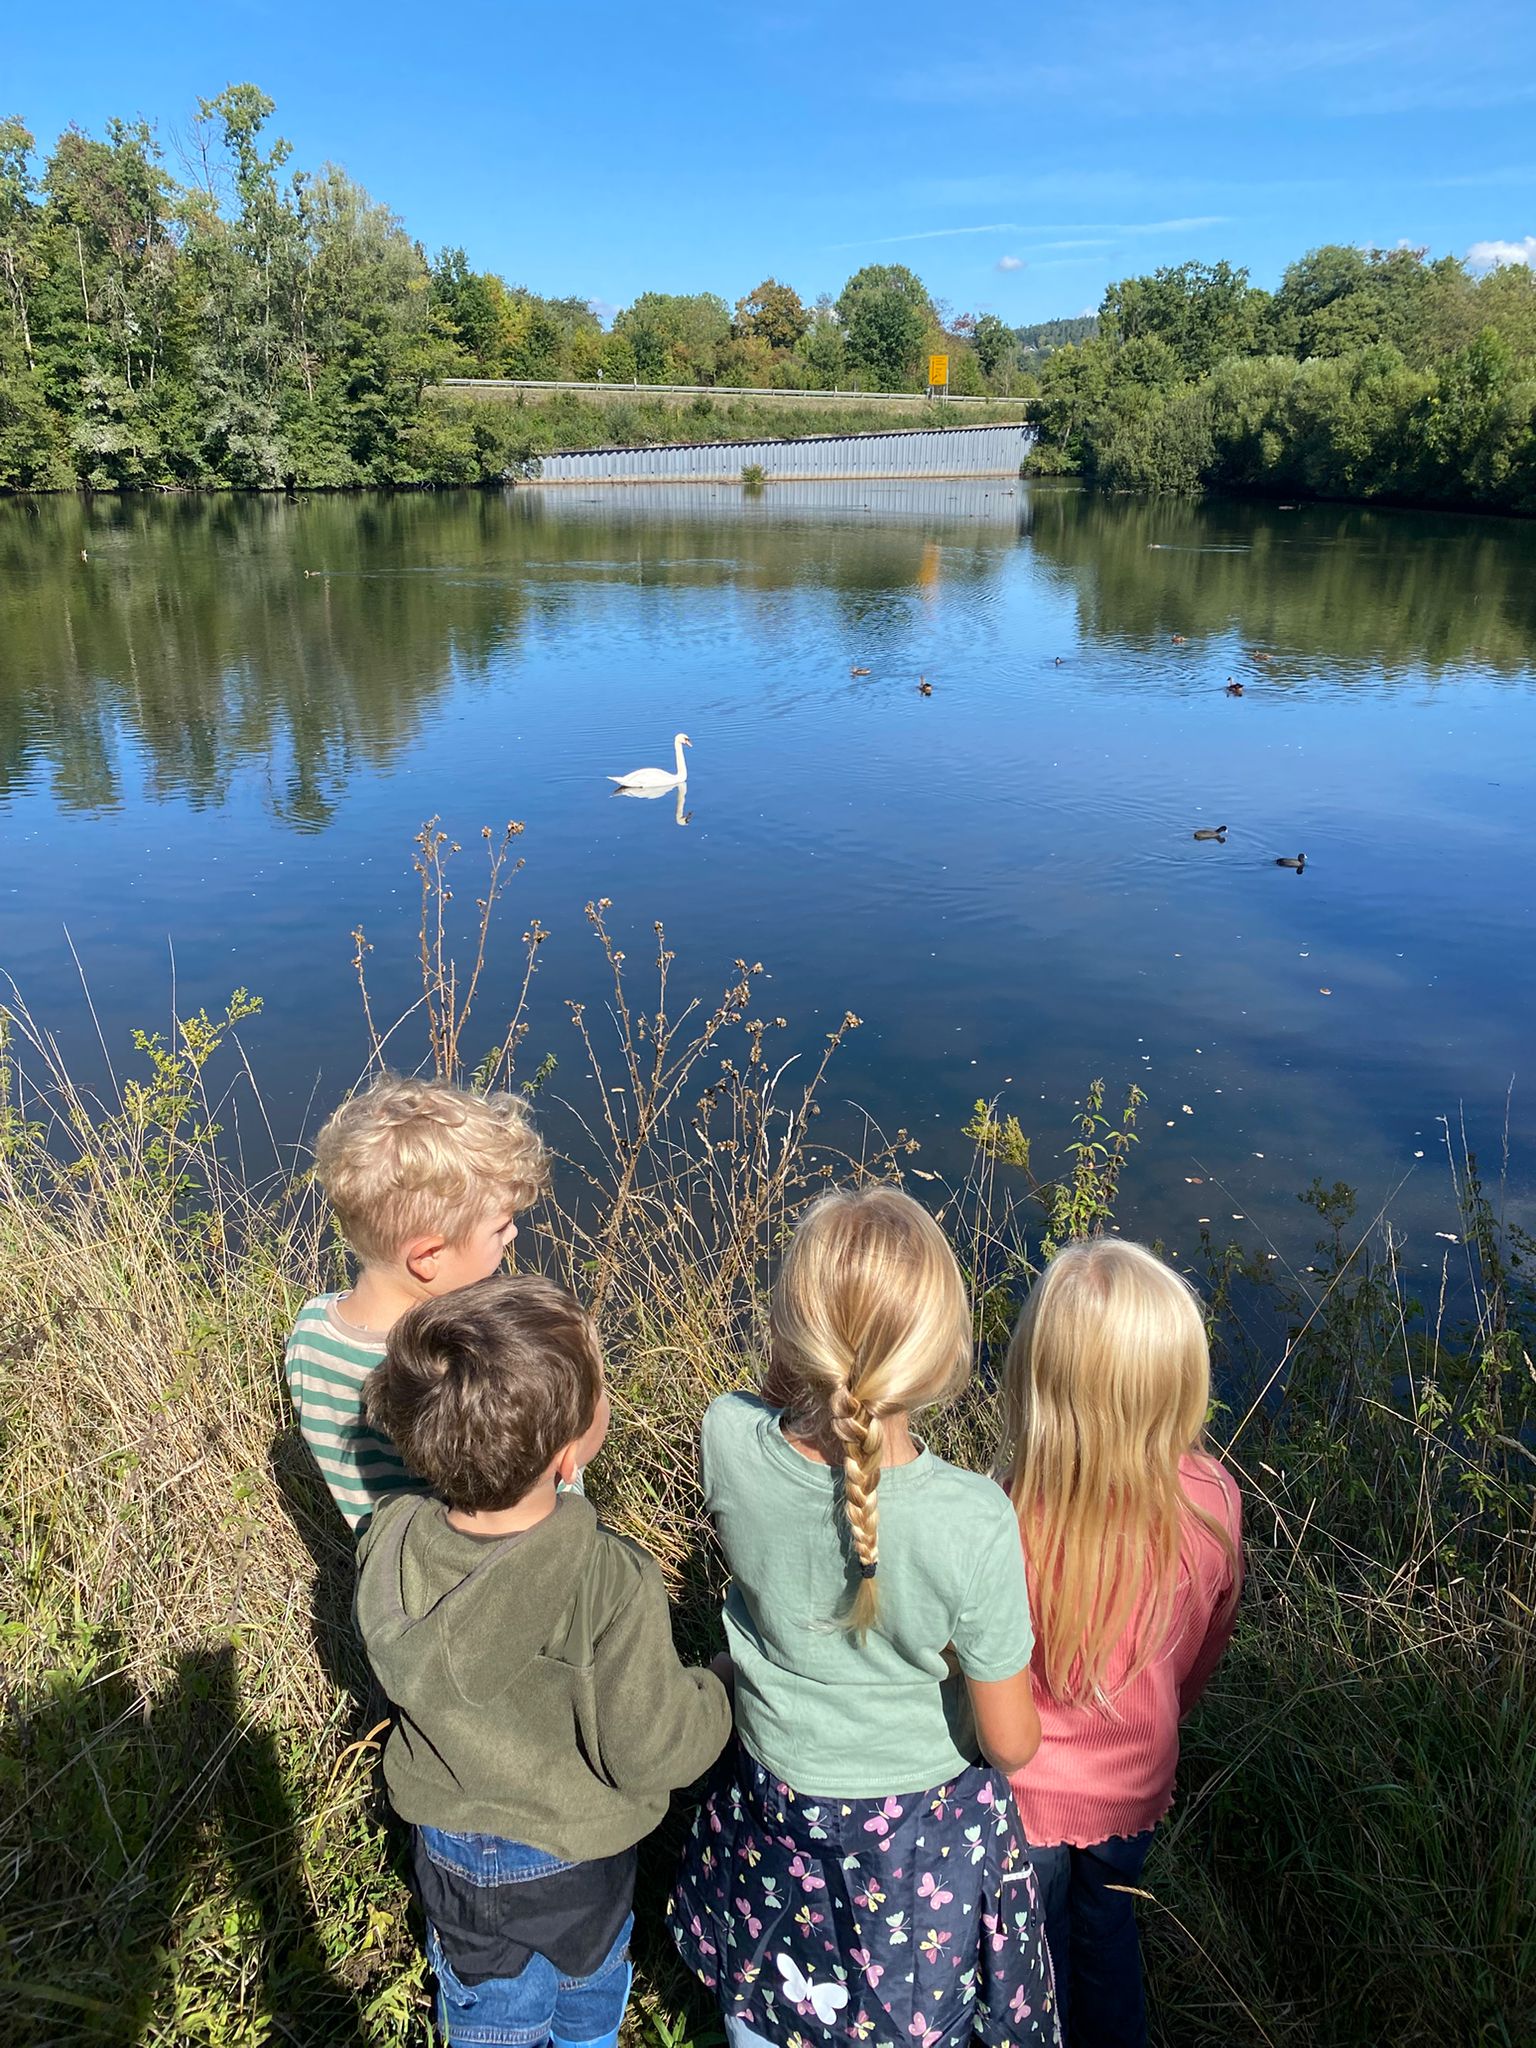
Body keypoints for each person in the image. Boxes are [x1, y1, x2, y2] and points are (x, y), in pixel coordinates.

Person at [669, 1186, 1059, 2048]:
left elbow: (770, 1409)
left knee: (774, 1986)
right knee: (908, 2013)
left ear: (790, 1328)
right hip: (918, 1839)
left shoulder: (726, 1434)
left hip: (772, 1793)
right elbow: (1010, 1744)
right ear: (946, 1353)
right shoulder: (973, 1518)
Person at [356, 1273, 733, 2048]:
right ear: (568, 1458)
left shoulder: (388, 1541)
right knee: (587, 1995)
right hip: (580, 1858)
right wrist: (717, 1691)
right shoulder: (610, 1580)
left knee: (490, 2012)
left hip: (451, 1843)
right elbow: (651, 1749)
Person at [998, 1240, 1243, 2048]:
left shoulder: (1004, 1509)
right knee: (1109, 1942)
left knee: (1028, 1961)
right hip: (1136, 1786)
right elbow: (1207, 1645)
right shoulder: (1212, 1502)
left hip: (1018, 1799)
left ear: (1038, 1379)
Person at [285, 1071, 547, 1534]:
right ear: (428, 1256)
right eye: (500, 1228)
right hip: (464, 1567)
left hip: (381, 1558)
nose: (514, 1234)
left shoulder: (308, 1328)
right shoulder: (452, 1366)